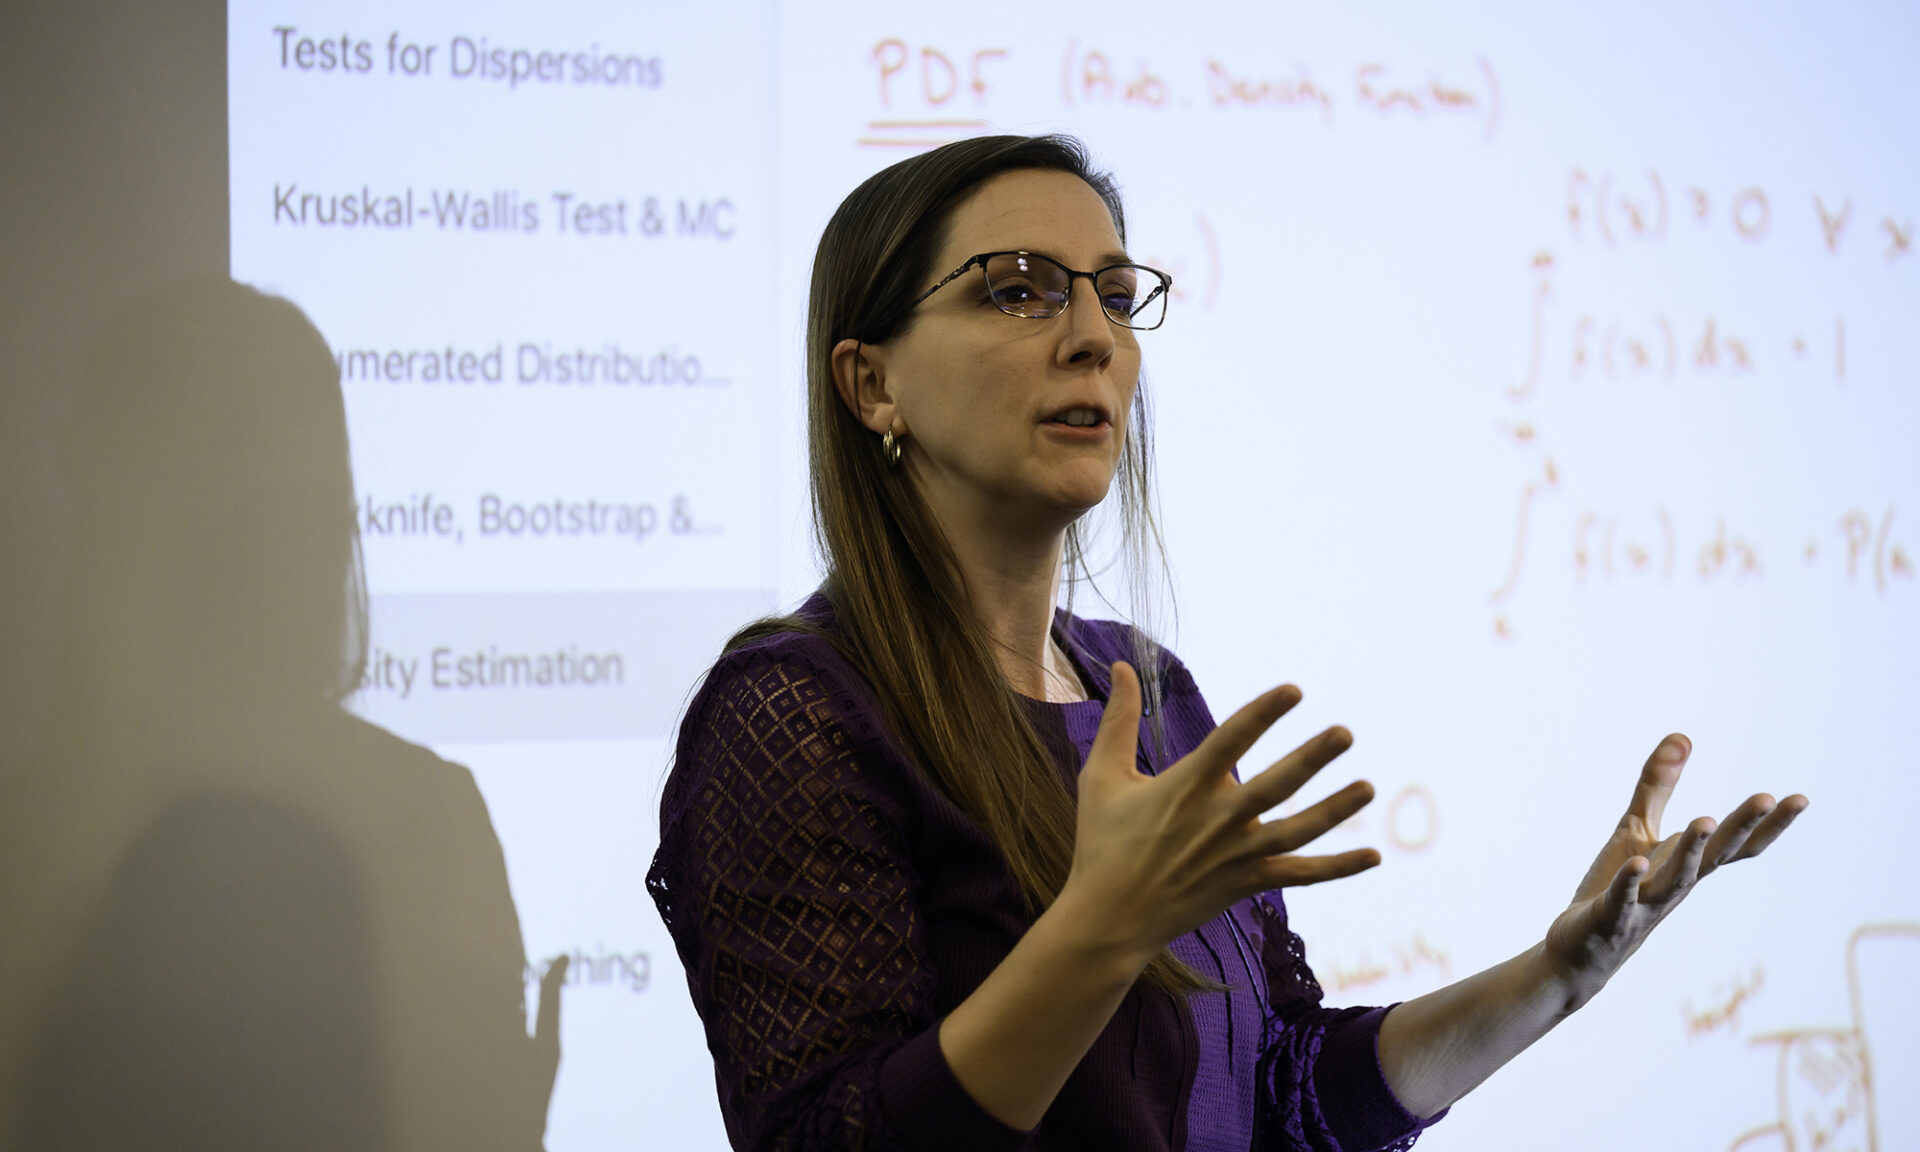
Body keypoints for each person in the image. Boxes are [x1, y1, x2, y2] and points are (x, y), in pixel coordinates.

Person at [645, 136, 1806, 1151]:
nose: (1093, 338)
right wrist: (1099, 934)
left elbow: (1285, 1096)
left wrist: (1553, 979)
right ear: (871, 385)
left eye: (1114, 296)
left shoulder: (1142, 687)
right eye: (1019, 292)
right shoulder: (795, 713)